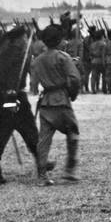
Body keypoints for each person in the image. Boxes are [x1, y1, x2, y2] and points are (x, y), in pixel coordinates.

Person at [0, 26, 43, 184]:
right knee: (30, 132)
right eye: (25, 38)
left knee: (0, 134)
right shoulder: (19, 55)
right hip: (16, 99)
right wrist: (11, 98)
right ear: (18, 39)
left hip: (3, 100)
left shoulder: (2, 54)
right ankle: (42, 164)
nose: (26, 41)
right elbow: (12, 78)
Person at [31, 24, 81, 185]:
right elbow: (74, 79)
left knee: (44, 140)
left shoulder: (37, 60)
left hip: (46, 102)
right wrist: (72, 95)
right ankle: (70, 170)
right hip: (61, 100)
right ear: (59, 40)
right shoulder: (63, 57)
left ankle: (42, 175)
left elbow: (33, 84)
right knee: (72, 133)